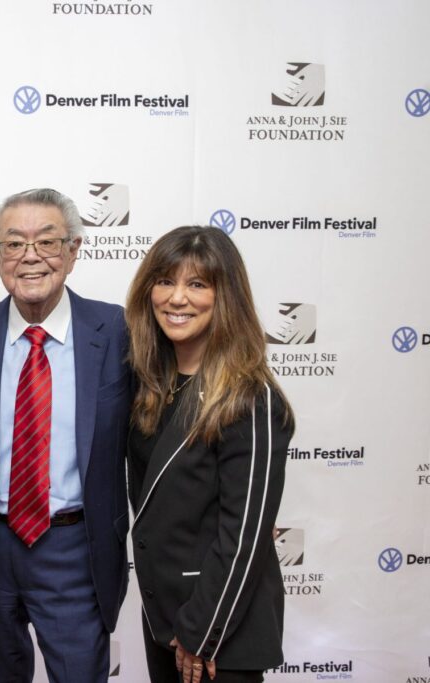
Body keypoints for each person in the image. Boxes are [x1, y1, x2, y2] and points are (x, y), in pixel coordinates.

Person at [0, 188, 131, 683]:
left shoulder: (120, 331)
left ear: (75, 250)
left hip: (75, 549)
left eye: (48, 241)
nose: (31, 256)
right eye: (14, 244)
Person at [125, 225, 294, 683]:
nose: (177, 298)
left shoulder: (250, 397)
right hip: (164, 618)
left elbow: (245, 535)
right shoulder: (151, 386)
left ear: (226, 297)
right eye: (165, 281)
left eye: (197, 284)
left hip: (219, 631)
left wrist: (202, 632)